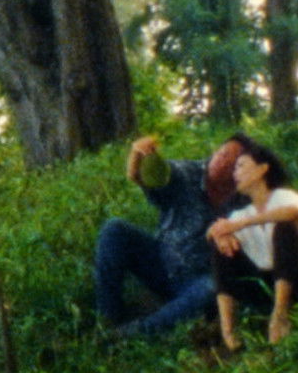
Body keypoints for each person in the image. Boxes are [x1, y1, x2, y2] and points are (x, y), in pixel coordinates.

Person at [94, 134, 247, 337]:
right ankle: (108, 317)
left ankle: (137, 331)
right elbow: (142, 176)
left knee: (212, 288)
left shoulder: (244, 200)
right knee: (114, 230)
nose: (220, 159)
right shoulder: (188, 173)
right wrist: (138, 155)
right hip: (161, 262)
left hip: (198, 281)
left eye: (231, 159)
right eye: (221, 152)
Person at [206, 138, 298, 350]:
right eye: (234, 169)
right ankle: (228, 331)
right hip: (267, 287)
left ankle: (280, 316)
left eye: (241, 166)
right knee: (222, 248)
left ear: (262, 169)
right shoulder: (241, 213)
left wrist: (241, 224)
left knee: (284, 227)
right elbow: (212, 231)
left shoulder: (284, 197)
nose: (235, 173)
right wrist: (219, 235)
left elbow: (293, 213)